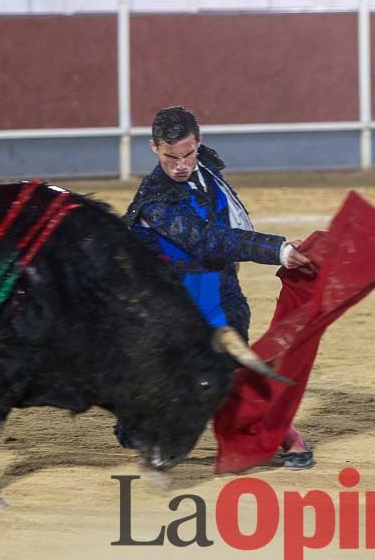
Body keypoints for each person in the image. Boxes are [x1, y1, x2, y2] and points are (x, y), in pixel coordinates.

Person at [121, 106, 315, 469]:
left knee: (228, 367)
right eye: (170, 157)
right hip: (170, 303)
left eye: (187, 153)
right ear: (153, 148)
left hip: (215, 288)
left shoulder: (204, 165)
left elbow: (225, 221)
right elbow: (208, 240)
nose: (181, 165)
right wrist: (278, 250)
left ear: (199, 142)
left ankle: (281, 433)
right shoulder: (155, 203)